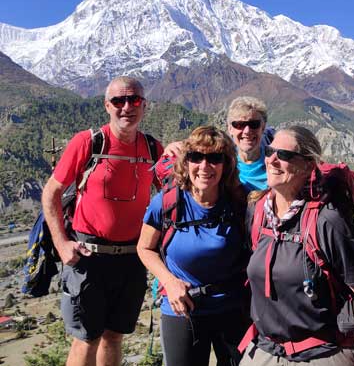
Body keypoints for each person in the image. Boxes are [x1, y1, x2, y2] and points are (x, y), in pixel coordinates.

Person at [41, 76, 163, 366]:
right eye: (119, 101)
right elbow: (51, 193)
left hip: (132, 258)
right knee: (86, 338)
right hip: (89, 257)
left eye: (134, 100)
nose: (126, 107)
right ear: (107, 105)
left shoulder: (152, 148)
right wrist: (61, 243)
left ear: (144, 106)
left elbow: (169, 195)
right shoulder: (89, 142)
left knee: (114, 336)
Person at [239, 126, 354, 366]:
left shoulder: (326, 221)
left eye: (284, 155)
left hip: (320, 355)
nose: (272, 159)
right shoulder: (257, 213)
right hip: (264, 351)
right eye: (269, 151)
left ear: (307, 166)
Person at [137, 125, 249, 366]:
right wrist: (169, 281)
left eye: (215, 158)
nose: (204, 166)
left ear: (226, 164)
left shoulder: (240, 202)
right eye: (196, 157)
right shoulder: (167, 202)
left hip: (232, 308)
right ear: (186, 162)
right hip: (182, 308)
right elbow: (144, 248)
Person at [158, 96, 272, 192]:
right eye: (239, 124)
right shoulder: (220, 157)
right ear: (230, 129)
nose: (247, 131)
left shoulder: (277, 160)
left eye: (254, 124)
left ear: (263, 127)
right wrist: (172, 148)